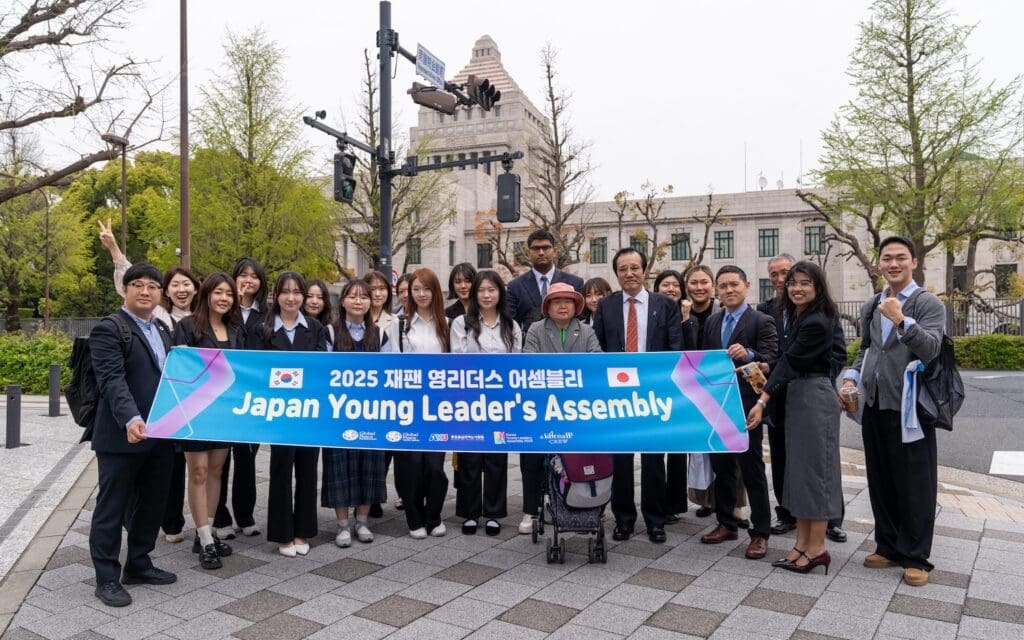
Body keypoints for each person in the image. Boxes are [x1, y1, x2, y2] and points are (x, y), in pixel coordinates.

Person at [843, 236, 945, 587]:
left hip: (911, 408)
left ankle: (916, 557)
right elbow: (866, 350)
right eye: (887, 258)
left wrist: (902, 320)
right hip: (874, 404)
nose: (894, 264)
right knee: (881, 478)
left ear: (914, 262)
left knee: (916, 484)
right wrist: (851, 378)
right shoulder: (873, 303)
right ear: (879, 264)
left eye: (901, 258)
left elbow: (931, 349)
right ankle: (887, 545)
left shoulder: (928, 303)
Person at [88, 263, 177, 607]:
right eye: (137, 285)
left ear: (161, 294)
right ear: (125, 290)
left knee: (152, 504)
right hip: (121, 436)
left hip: (160, 435)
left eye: (153, 286)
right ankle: (106, 577)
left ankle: (139, 562)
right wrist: (130, 418)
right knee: (112, 506)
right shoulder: (110, 329)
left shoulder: (163, 331)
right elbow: (111, 380)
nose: (145, 291)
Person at [745, 261, 842, 575]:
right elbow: (784, 362)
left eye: (805, 283)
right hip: (798, 400)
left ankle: (816, 549)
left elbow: (788, 364)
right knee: (798, 475)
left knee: (815, 476)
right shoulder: (800, 316)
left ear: (817, 287)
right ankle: (801, 543)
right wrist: (758, 368)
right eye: (792, 283)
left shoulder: (818, 321)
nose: (797, 288)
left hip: (814, 400)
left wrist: (762, 400)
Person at [592, 248, 683, 544]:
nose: (629, 273)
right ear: (616, 273)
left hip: (653, 393)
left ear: (645, 271)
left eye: (634, 268)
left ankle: (656, 521)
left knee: (654, 459)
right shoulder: (605, 307)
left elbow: (674, 348)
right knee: (620, 460)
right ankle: (624, 519)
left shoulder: (664, 305)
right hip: (617, 395)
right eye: (622, 269)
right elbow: (600, 351)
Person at [506, 229, 583, 533]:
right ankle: (531, 507)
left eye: (546, 248)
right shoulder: (515, 286)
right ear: (528, 251)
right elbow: (511, 324)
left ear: (555, 249)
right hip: (533, 378)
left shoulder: (574, 282)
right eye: (535, 248)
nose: (541, 253)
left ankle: (565, 502)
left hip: (569, 384)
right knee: (532, 449)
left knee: (567, 448)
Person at [699, 265, 778, 560]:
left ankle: (760, 532)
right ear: (717, 291)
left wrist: (750, 355)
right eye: (723, 286)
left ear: (746, 285)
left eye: (734, 284)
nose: (729, 290)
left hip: (747, 404)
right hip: (717, 404)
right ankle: (726, 523)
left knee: (752, 467)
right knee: (721, 466)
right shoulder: (712, 321)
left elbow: (773, 357)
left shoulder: (761, 320)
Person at [247, 272, 327, 556]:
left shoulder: (316, 328)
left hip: (309, 413)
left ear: (303, 296)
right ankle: (282, 533)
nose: (291, 297)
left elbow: (320, 370)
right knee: (280, 470)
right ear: (276, 296)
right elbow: (258, 370)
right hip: (279, 413)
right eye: (285, 292)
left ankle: (303, 531)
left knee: (308, 470)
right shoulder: (261, 329)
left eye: (297, 292)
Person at [171, 273, 243, 570]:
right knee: (198, 471)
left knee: (216, 470)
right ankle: (203, 537)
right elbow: (179, 368)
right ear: (207, 295)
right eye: (218, 292)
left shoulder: (236, 330)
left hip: (225, 413)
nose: (223, 298)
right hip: (196, 411)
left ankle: (208, 532)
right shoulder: (187, 327)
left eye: (228, 293)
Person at [450, 271, 523, 535]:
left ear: (500, 293)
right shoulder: (461, 323)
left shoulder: (511, 325)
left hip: (499, 402)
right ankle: (470, 513)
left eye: (492, 290)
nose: (486, 295)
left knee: (496, 457)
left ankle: (493, 513)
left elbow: (515, 363)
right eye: (481, 290)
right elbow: (457, 360)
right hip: (468, 401)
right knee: (470, 457)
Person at [323, 279, 390, 547]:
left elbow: (389, 374)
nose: (359, 301)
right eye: (353, 296)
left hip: (371, 412)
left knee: (369, 464)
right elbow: (324, 372)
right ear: (343, 301)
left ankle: (362, 521)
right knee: (339, 466)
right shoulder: (329, 332)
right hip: (339, 412)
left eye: (364, 296)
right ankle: (341, 524)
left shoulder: (380, 334)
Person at [684, 265, 749, 523]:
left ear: (713, 287)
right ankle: (708, 499)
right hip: (695, 387)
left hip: (728, 390)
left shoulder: (723, 313)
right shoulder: (683, 314)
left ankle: (737, 504)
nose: (699, 287)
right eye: (693, 283)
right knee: (704, 448)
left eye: (704, 282)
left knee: (732, 447)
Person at [213, 257, 268, 540]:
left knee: (247, 458)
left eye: (254, 276)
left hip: (254, 398)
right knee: (220, 459)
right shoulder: (223, 312)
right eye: (242, 275)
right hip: (224, 396)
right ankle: (219, 515)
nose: (248, 280)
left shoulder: (267, 314)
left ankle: (245, 514)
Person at [394, 268, 451, 538]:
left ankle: (434, 514)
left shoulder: (448, 325)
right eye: (416, 289)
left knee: (435, 465)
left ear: (435, 292)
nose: (421, 294)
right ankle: (414, 517)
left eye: (426, 289)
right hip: (408, 404)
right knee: (411, 464)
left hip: (439, 405)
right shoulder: (399, 325)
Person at [364, 270, 396, 518]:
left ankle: (376, 493)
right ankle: (364, 494)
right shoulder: (354, 319)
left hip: (388, 394)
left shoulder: (395, 321)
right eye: (372, 288)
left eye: (382, 288)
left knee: (383, 449)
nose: (377, 293)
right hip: (361, 395)